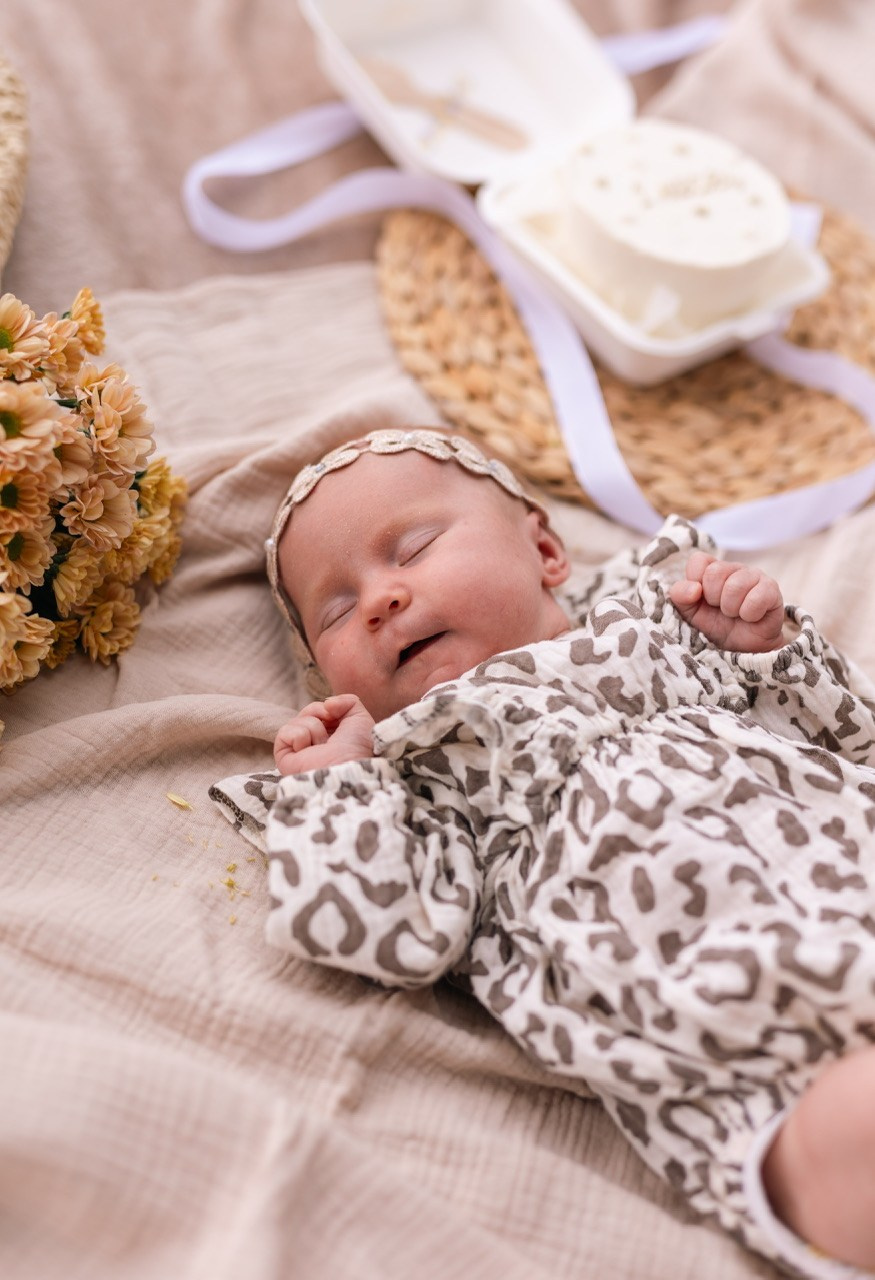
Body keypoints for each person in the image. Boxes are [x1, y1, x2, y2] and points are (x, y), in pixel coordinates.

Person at [213, 427, 875, 1280]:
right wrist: (338, 790)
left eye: (411, 549)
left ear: (546, 549)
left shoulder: (667, 633)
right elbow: (390, 933)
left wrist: (769, 653)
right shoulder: (418, 774)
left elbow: (852, 741)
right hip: (747, 1060)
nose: (378, 599)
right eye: (335, 611)